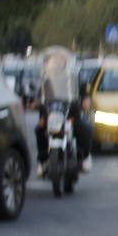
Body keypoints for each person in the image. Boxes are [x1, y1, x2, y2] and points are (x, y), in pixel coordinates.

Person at [34, 48, 93, 176]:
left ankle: (84, 157)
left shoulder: (76, 81)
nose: (58, 65)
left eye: (61, 62)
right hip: (51, 116)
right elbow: (40, 98)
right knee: (39, 129)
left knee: (85, 127)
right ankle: (42, 160)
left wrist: (84, 102)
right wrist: (35, 103)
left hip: (71, 115)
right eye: (56, 63)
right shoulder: (46, 83)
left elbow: (84, 97)